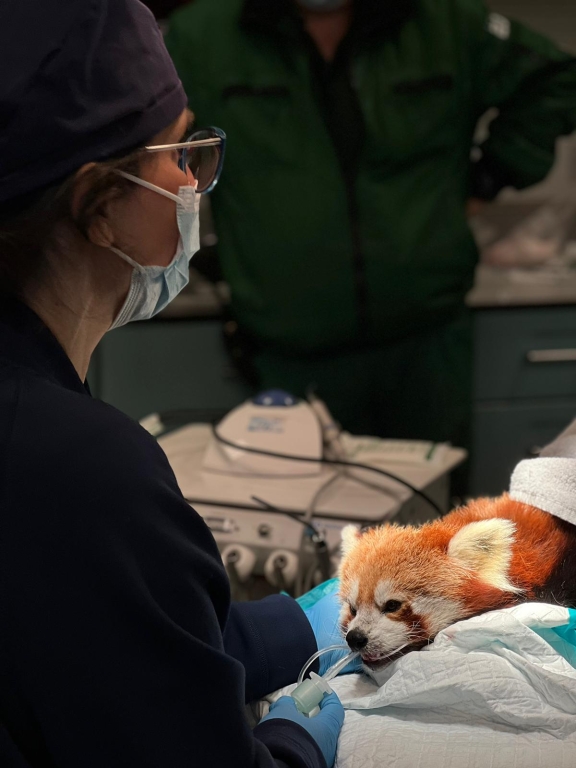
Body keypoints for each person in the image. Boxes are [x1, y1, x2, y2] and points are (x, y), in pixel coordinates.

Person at [0, 2, 357, 766]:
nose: (195, 182)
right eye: (181, 153)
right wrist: (295, 741)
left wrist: (300, 626)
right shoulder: (76, 465)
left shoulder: (35, 409)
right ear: (100, 206)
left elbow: (113, 630)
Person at [165, 0, 576, 461]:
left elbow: (557, 79)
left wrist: (491, 176)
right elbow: (141, 136)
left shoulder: (443, 21)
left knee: (432, 502)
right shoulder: (201, 36)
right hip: (289, 348)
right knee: (295, 501)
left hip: (426, 346)